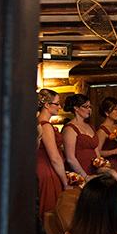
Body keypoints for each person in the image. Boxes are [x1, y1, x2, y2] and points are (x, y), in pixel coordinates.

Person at [36, 88, 70, 221]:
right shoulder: (45, 126)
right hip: (47, 170)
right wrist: (65, 182)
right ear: (46, 105)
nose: (59, 107)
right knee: (49, 209)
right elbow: (54, 157)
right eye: (57, 103)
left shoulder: (40, 123)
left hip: (43, 168)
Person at [62, 93, 102, 181]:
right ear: (76, 108)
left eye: (89, 107)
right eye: (85, 107)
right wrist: (85, 176)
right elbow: (70, 158)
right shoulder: (70, 128)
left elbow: (97, 151)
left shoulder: (90, 127)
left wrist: (101, 168)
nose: (89, 110)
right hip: (79, 172)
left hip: (93, 169)